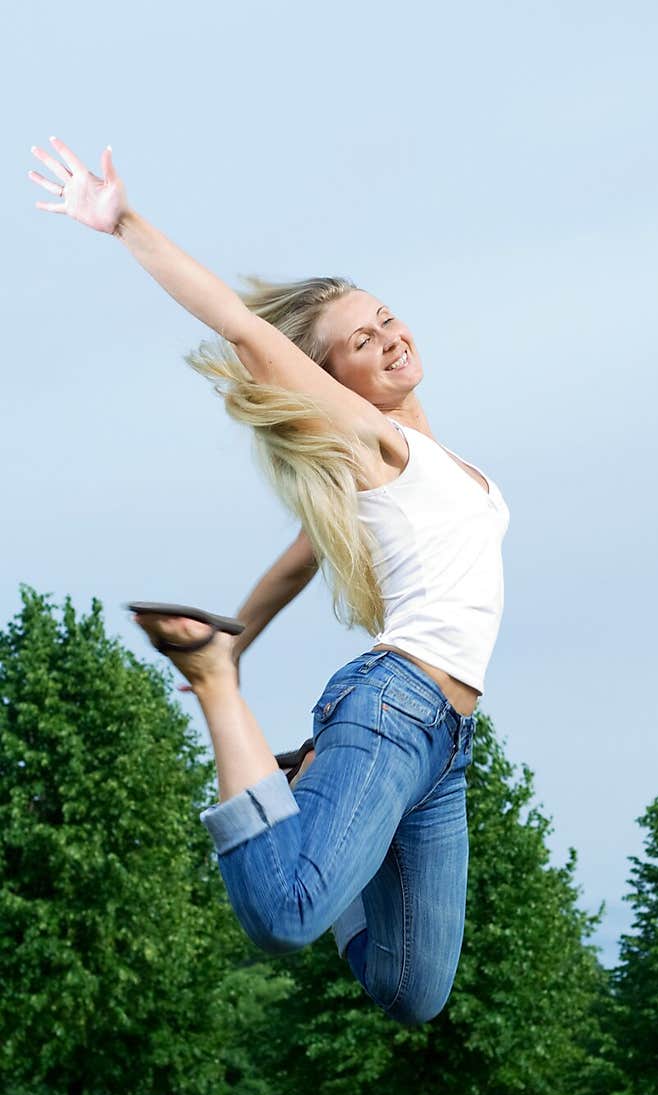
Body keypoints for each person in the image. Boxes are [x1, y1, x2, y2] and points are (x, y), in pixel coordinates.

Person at [29, 137, 510, 1026]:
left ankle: (309, 807)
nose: (390, 338)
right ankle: (224, 704)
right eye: (360, 342)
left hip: (446, 744)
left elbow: (305, 553)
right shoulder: (374, 440)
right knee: (287, 914)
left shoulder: (423, 468)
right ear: (335, 384)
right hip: (393, 707)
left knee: (414, 993)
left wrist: (242, 630)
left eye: (386, 318)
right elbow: (245, 329)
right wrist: (125, 222)